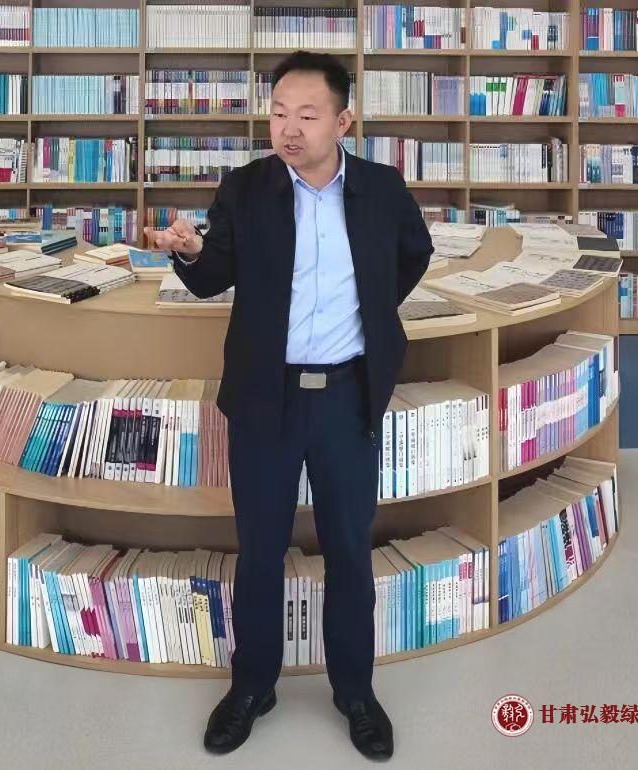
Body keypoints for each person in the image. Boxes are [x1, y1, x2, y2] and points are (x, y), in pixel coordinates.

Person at [144, 50, 433, 761]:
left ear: (344, 121)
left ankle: (355, 693)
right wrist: (189, 250)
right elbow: (213, 277)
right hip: (264, 398)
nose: (289, 129)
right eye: (278, 114)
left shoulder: (381, 189)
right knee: (260, 551)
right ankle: (252, 687)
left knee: (348, 551)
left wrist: (371, 309)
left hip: (345, 397)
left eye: (307, 115)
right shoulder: (246, 188)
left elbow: (413, 254)